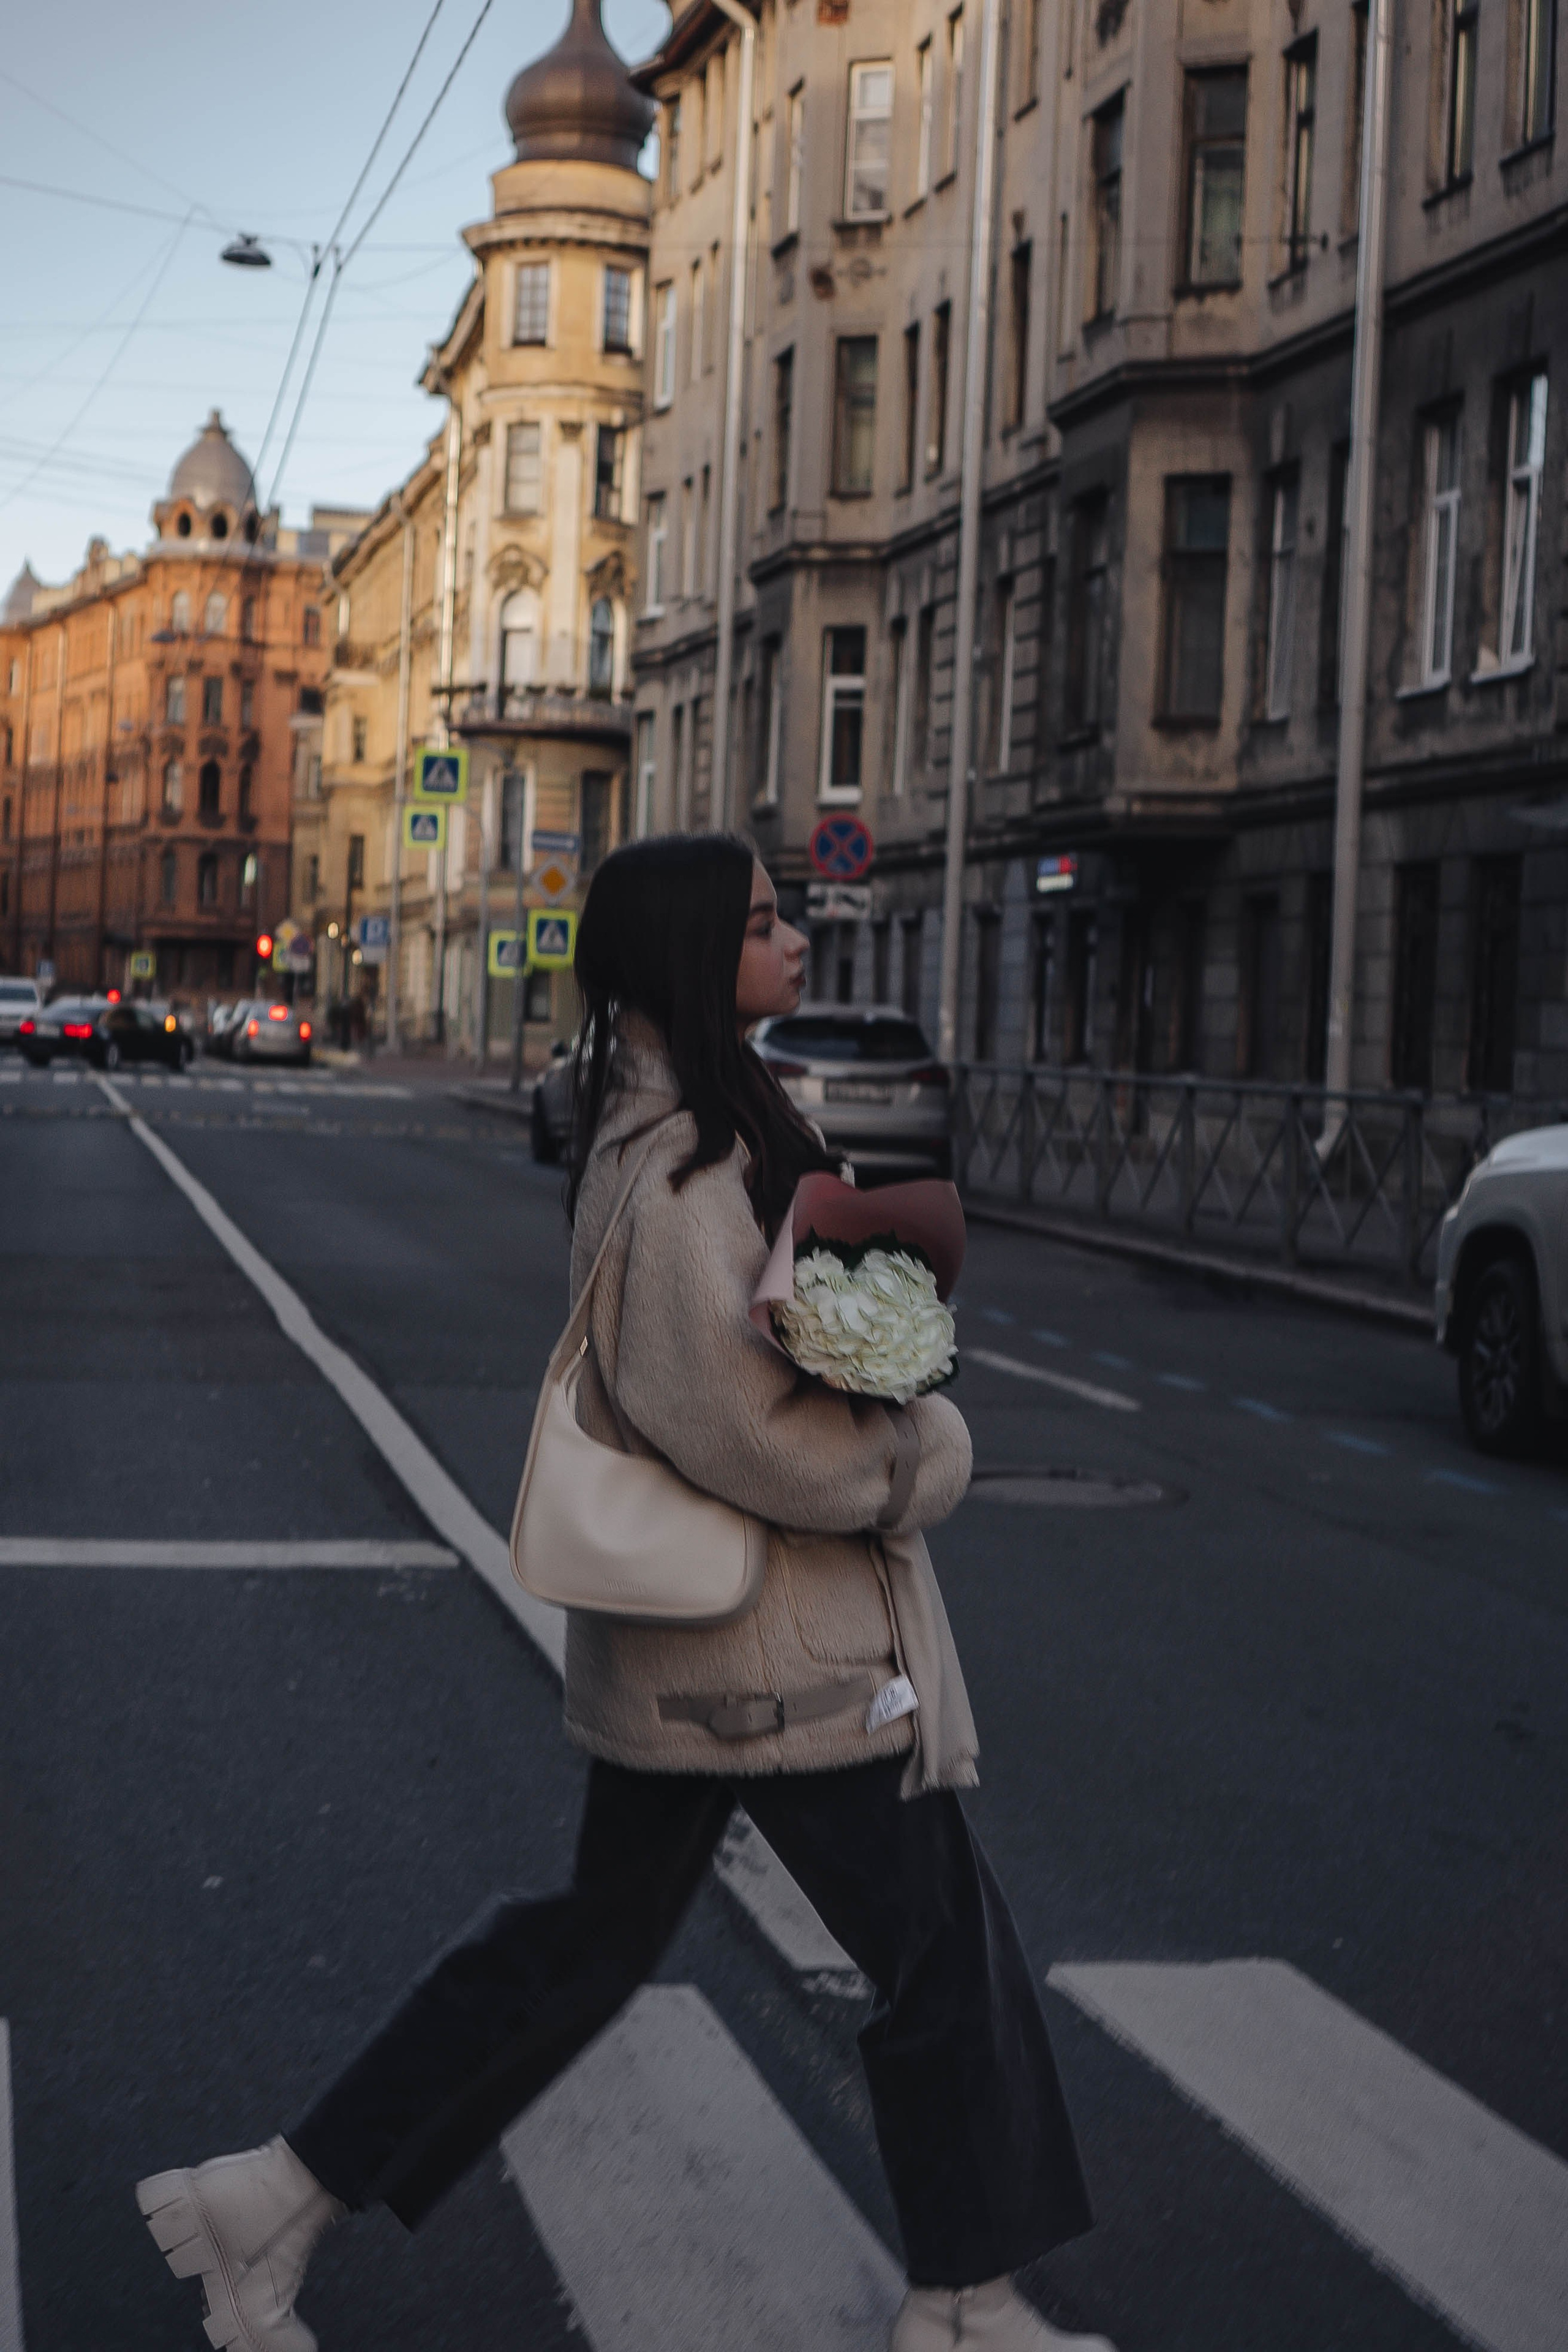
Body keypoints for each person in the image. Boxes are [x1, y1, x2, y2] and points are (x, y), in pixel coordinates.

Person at [136, 834, 1114, 2352]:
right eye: (766, 926)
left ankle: (272, 2201)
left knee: (579, 1950)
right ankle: (969, 2301)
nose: (795, 946)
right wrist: (915, 1454)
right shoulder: (677, 1175)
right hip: (769, 1661)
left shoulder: (688, 1132)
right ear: (685, 956)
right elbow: (733, 1426)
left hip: (708, 1659)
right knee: (944, 1953)